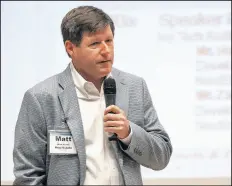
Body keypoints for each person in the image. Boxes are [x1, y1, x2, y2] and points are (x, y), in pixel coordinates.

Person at [13, 5, 172, 185]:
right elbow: (28, 176)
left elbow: (162, 156)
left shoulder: (134, 87)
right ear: (70, 48)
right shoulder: (41, 98)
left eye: (109, 41)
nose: (106, 51)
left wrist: (128, 133)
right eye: (95, 43)